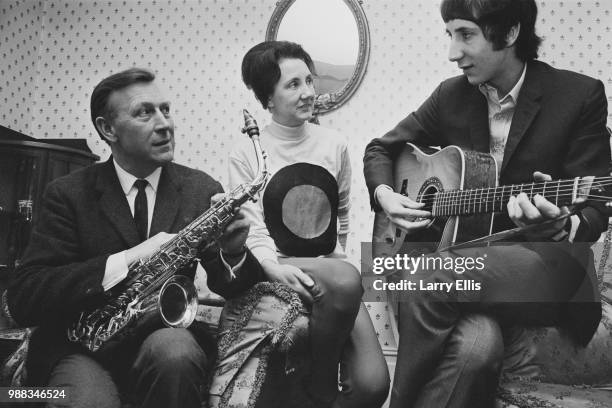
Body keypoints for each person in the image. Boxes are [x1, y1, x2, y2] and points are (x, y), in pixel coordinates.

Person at [363, 0, 610, 407]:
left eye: (466, 35)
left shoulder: (579, 95)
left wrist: (563, 226)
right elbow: (380, 149)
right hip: (466, 265)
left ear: (510, 32)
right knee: (478, 348)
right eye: (450, 35)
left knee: (427, 274)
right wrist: (386, 196)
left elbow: (597, 206)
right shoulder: (451, 95)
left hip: (545, 265)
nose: (452, 52)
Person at [6, 67, 265, 408]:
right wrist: (127, 259)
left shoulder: (201, 189)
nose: (164, 123)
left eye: (166, 110)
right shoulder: (67, 193)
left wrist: (234, 253)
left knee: (177, 355)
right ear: (107, 128)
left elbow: (240, 289)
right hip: (77, 346)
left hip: (163, 338)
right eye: (145, 112)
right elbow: (24, 297)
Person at [228, 41, 390, 408]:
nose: (308, 93)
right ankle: (320, 384)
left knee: (373, 386)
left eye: (309, 81)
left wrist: (338, 256)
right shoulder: (246, 153)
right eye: (293, 85)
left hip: (329, 272)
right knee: (348, 277)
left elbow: (343, 210)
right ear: (267, 98)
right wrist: (271, 267)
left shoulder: (334, 144)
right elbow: (251, 227)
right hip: (275, 264)